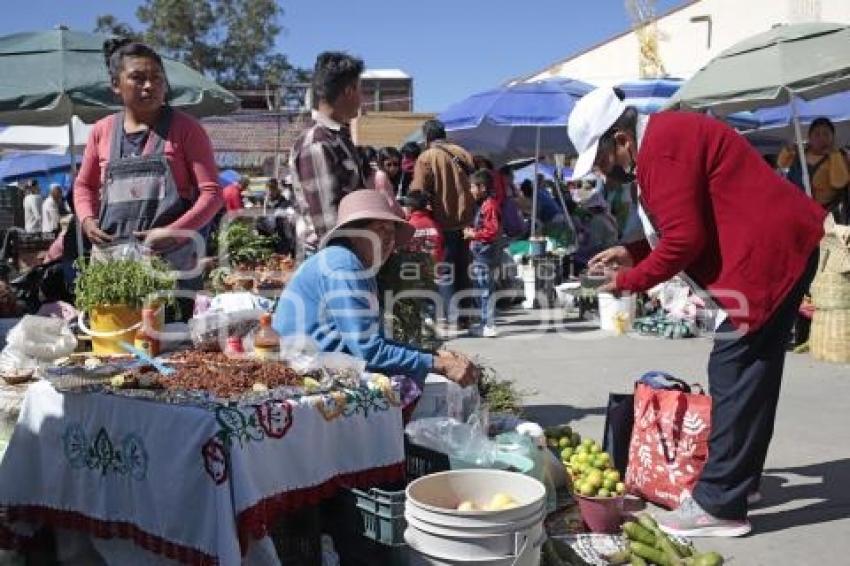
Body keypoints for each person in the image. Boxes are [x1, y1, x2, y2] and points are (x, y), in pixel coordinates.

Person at [569, 87, 825, 537]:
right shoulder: (665, 140)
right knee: (753, 374)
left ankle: (719, 504)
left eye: (604, 160)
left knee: (734, 368)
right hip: (775, 251)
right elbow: (683, 225)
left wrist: (630, 282)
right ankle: (737, 484)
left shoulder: (662, 147)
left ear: (622, 139)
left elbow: (685, 240)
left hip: (768, 257)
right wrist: (631, 253)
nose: (606, 171)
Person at [272, 189, 479, 391]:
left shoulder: (355, 266)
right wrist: (438, 363)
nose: (390, 240)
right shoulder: (343, 265)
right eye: (381, 230)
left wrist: (433, 356)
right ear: (354, 234)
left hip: (323, 366)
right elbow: (368, 350)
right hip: (304, 373)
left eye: (392, 233)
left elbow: (371, 342)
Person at [74, 38, 222, 289]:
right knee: (112, 324)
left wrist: (173, 233)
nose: (149, 86)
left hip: (172, 263)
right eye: (138, 78)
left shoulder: (186, 129)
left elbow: (212, 194)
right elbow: (83, 186)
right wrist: (87, 220)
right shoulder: (102, 130)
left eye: (157, 78)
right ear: (115, 85)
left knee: (171, 325)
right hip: (112, 264)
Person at [291, 51, 366, 256]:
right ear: (349, 90)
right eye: (360, 90)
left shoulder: (338, 137)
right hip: (334, 258)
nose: (362, 98)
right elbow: (328, 224)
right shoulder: (317, 142)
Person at [411, 119, 475, 327]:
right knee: (463, 268)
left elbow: (417, 192)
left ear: (426, 137)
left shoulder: (426, 157)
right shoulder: (463, 153)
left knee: (445, 270)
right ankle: (466, 317)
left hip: (442, 222)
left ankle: (450, 316)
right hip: (466, 222)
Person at [777, 117, 849, 222]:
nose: (821, 138)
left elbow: (839, 182)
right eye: (817, 134)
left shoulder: (839, 156)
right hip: (798, 212)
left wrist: (834, 155)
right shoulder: (800, 153)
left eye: (826, 134)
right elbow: (781, 164)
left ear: (833, 137)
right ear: (810, 137)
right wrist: (788, 150)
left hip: (827, 215)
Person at [463, 169, 503, 338]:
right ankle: (484, 322)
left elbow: (492, 231)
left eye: (473, 187)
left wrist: (474, 234)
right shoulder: (484, 205)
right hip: (480, 252)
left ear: (483, 187)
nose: (471, 190)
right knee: (480, 288)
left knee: (485, 289)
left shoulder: (490, 206)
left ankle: (489, 324)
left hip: (485, 253)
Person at [401, 191, 448, 324]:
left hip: (415, 270)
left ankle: (426, 321)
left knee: (418, 297)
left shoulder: (408, 226)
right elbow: (440, 244)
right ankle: (436, 318)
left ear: (410, 208)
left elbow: (405, 247)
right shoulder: (433, 224)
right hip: (434, 268)